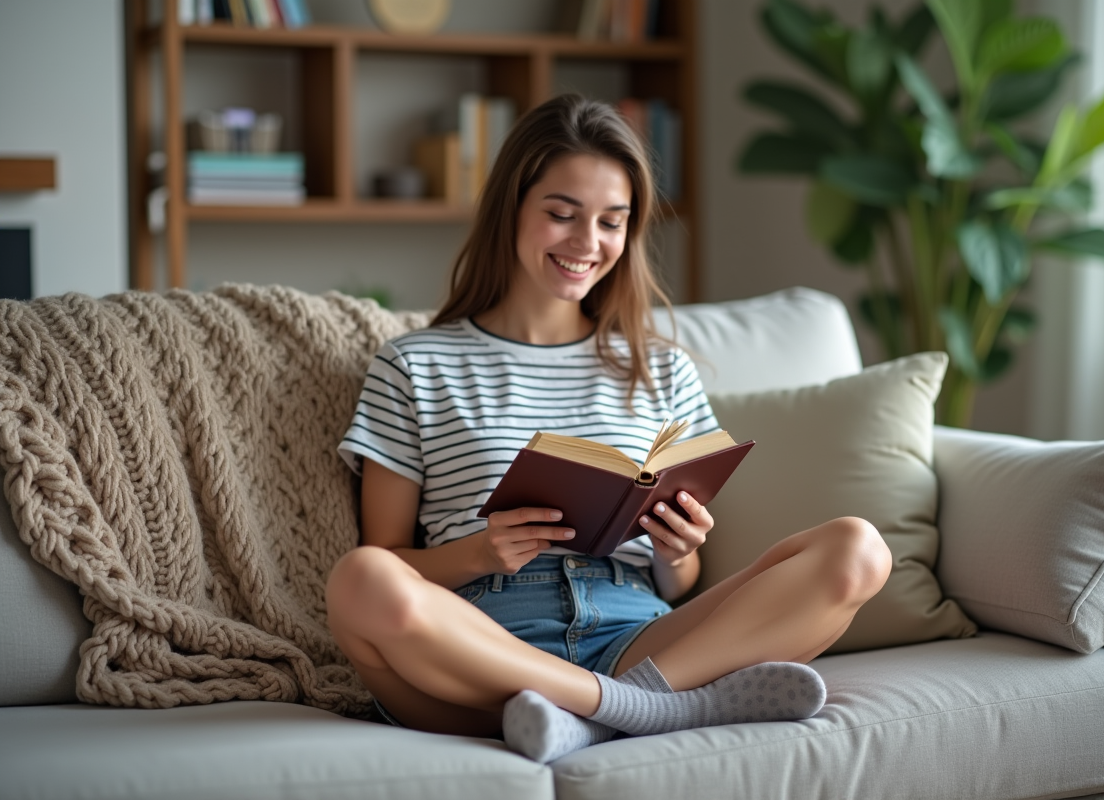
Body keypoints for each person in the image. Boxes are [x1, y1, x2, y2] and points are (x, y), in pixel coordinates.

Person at [325, 93, 892, 763]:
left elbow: (679, 583)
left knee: (858, 548)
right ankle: (644, 710)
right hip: (478, 645)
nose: (586, 244)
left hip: (637, 635)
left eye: (611, 223)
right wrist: (479, 553)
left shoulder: (659, 369)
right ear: (511, 208)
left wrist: (677, 553)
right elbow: (387, 558)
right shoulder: (415, 365)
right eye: (562, 214)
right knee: (358, 579)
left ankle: (601, 714)